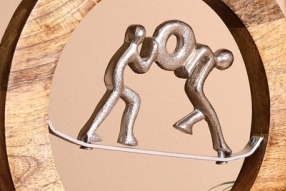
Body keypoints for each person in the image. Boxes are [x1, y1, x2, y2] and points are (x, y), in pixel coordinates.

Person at [141, 20, 234, 156]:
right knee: (210, 113)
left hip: (192, 88)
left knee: (207, 112)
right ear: (222, 61)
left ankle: (192, 126)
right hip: (194, 89)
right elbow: (195, 81)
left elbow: (185, 70)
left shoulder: (204, 51)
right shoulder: (209, 56)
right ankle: (219, 144)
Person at [78, 25, 158, 146]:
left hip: (111, 78)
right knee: (107, 106)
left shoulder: (125, 46)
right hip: (116, 80)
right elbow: (143, 68)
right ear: (141, 39)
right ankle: (88, 133)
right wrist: (152, 52)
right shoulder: (132, 50)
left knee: (134, 99)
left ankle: (126, 136)